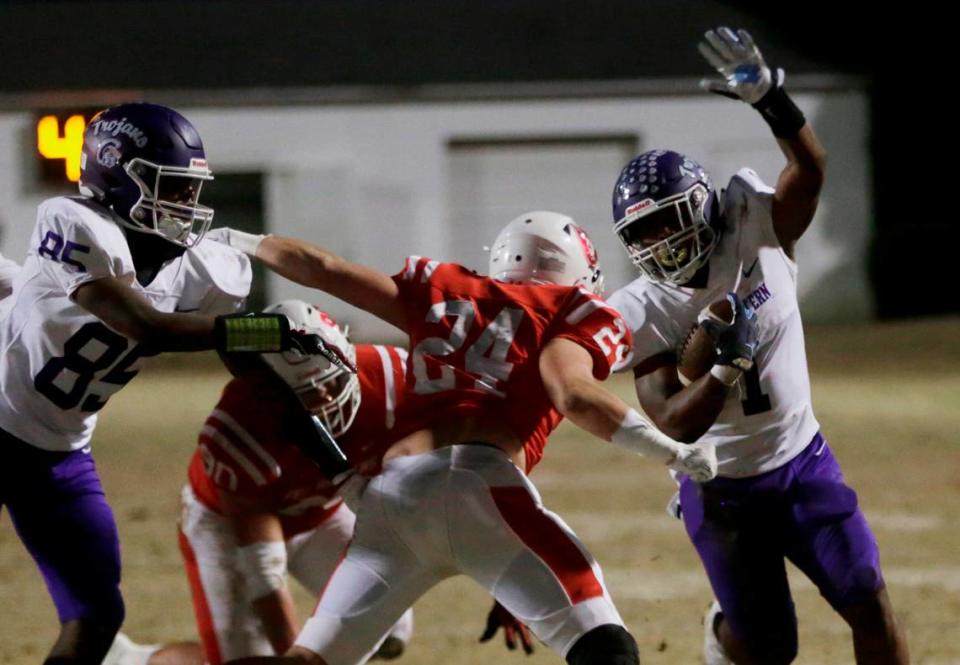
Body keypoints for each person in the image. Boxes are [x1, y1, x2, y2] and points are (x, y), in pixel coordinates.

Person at [208, 209, 718, 665]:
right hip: (482, 490)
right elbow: (575, 397)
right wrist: (672, 451)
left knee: (307, 660)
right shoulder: (568, 311)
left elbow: (324, 270)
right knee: (607, 648)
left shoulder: (448, 292)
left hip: (391, 499)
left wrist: (233, 237)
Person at [605, 27, 910, 665]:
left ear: (704, 205)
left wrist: (773, 100)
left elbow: (811, 167)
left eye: (668, 220)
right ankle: (723, 635)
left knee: (869, 602)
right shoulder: (644, 306)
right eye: (644, 232)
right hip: (721, 491)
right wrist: (724, 368)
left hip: (802, 458)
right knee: (770, 648)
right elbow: (669, 423)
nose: (660, 243)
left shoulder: (756, 224)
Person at [0, 102, 336, 665]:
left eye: (188, 188)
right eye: (169, 187)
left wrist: (318, 439)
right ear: (112, 175)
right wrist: (263, 329)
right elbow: (144, 326)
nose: (185, 203)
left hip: (58, 451)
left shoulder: (210, 269)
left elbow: (250, 374)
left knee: (97, 617)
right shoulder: (73, 219)